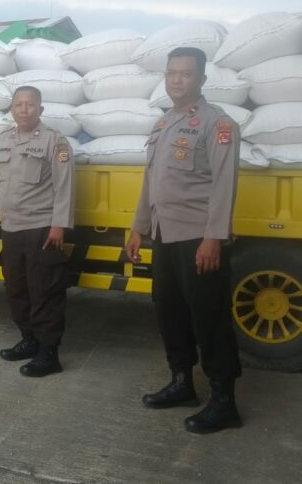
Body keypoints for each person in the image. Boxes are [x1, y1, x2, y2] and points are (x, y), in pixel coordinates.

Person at [124, 47, 242, 434]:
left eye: (186, 74)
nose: (177, 80)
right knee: (169, 311)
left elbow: (225, 184)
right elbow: (151, 180)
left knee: (209, 317)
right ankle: (182, 383)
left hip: (197, 237)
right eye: (172, 73)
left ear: (202, 80)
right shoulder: (162, 125)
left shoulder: (217, 123)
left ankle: (224, 402)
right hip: (164, 234)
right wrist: (138, 226)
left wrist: (214, 237)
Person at [0, 86, 75, 377]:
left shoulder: (54, 142)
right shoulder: (3, 141)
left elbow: (65, 185)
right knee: (16, 289)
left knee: (44, 291)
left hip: (41, 228)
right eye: (18, 104)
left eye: (29, 105)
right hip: (11, 228)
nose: (23, 109)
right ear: (12, 109)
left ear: (40, 110)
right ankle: (29, 339)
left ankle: (49, 353)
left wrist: (59, 225)